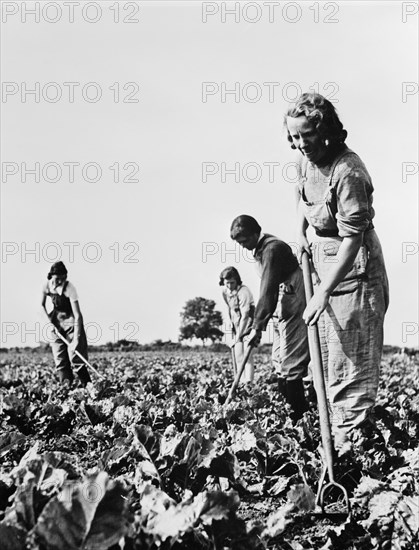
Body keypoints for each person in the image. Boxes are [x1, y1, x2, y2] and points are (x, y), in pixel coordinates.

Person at [284, 92, 389, 449]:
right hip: (322, 264)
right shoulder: (305, 161)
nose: (301, 145)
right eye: (295, 138)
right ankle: (340, 446)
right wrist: (299, 231)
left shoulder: (349, 171)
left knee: (351, 366)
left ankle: (354, 459)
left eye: (307, 136)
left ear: (325, 130)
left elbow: (353, 238)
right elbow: (302, 195)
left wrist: (324, 291)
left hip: (356, 272)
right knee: (325, 366)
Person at [230, 215, 310, 420]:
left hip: (292, 297)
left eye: (245, 241)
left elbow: (268, 288)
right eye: (239, 243)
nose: (243, 246)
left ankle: (299, 418)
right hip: (281, 301)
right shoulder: (261, 248)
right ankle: (285, 411)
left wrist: (257, 326)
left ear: (257, 232)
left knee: (291, 362)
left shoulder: (272, 249)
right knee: (279, 359)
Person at [41, 261, 91, 387]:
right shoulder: (46, 286)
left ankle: (89, 387)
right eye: (57, 279)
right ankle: (66, 390)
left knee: (76, 358)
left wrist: (76, 340)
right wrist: (49, 323)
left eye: (63, 279)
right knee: (60, 360)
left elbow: (78, 315)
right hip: (56, 323)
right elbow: (41, 306)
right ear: (51, 276)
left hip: (71, 323)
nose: (60, 282)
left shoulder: (70, 288)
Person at [219, 266, 255, 383]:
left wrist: (239, 335)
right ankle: (240, 381)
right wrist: (230, 324)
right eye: (227, 283)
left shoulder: (244, 292)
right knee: (238, 355)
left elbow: (245, 315)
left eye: (232, 282)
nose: (229, 286)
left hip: (249, 323)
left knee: (247, 356)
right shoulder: (225, 292)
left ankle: (248, 382)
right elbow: (230, 308)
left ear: (237, 280)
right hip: (235, 323)